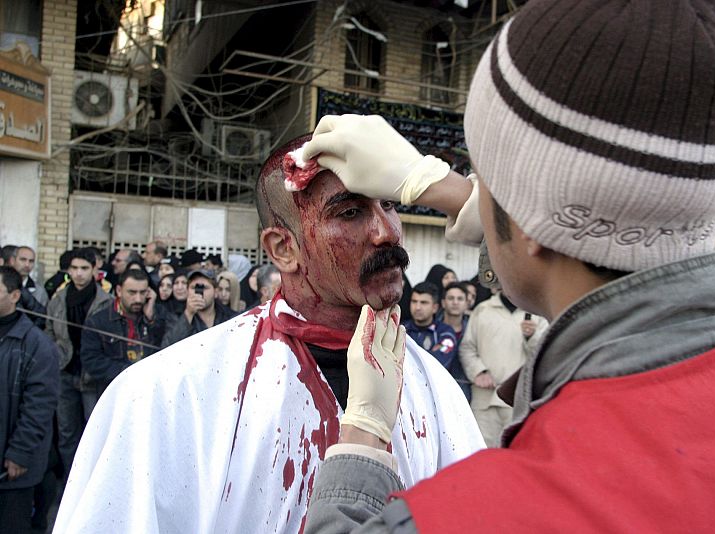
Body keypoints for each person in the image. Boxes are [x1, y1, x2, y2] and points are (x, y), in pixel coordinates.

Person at [301, 0, 715, 530]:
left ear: (532, 223)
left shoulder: (508, 510)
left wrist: (364, 431)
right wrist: (473, 199)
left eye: (483, 177)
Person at [53, 134, 483, 533]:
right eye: (350, 212)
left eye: (390, 205)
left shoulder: (435, 386)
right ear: (283, 248)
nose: (386, 231)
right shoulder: (169, 394)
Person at [0, 267, 60, 534]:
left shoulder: (36, 345)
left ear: (14, 295)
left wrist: (19, 453)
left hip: (14, 467)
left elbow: (39, 406)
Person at [46, 248, 112, 477]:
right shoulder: (59, 299)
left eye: (84, 268)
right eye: (74, 268)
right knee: (66, 433)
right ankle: (68, 480)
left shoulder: (106, 301)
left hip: (92, 376)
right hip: (65, 372)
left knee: (94, 432)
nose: (78, 274)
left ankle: (91, 480)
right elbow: (49, 331)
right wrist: (57, 354)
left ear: (94, 269)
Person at [459, 289, 547, 447]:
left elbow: (545, 353)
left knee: (518, 457)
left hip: (520, 402)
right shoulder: (483, 309)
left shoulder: (538, 312)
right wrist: (479, 371)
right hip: (485, 400)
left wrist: (531, 337)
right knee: (481, 455)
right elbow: (467, 348)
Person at [81, 269, 165, 395]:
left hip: (148, 390)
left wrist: (150, 320)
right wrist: (126, 371)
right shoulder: (98, 321)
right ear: (119, 291)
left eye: (142, 293)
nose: (138, 299)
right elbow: (92, 360)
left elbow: (163, 348)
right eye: (132, 292)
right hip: (111, 391)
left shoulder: (155, 316)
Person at [160, 269, 237, 347]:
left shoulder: (229, 317)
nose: (199, 293)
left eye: (205, 288)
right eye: (194, 288)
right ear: (187, 291)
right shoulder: (175, 316)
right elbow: (166, 347)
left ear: (215, 292)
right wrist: (188, 314)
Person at [402, 282, 457, 369]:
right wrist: (429, 353)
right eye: (414, 301)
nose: (417, 307)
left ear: (435, 307)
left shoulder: (446, 333)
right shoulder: (400, 329)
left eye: (424, 303)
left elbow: (437, 365)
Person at [440, 282, 472, 400]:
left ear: (467, 304)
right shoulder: (432, 329)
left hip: (464, 392)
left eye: (460, 299)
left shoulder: (472, 329)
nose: (455, 302)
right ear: (443, 303)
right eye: (451, 298)